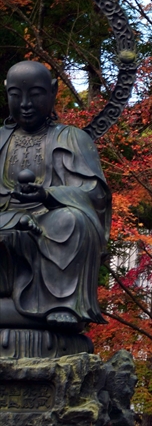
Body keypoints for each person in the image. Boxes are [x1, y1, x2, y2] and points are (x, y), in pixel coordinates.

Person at [0, 61, 110, 332]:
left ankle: (61, 305)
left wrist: (47, 195)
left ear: (53, 92)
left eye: (35, 94)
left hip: (50, 217)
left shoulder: (72, 137)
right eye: (16, 95)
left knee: (73, 220)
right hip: (4, 214)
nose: (25, 103)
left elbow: (94, 194)